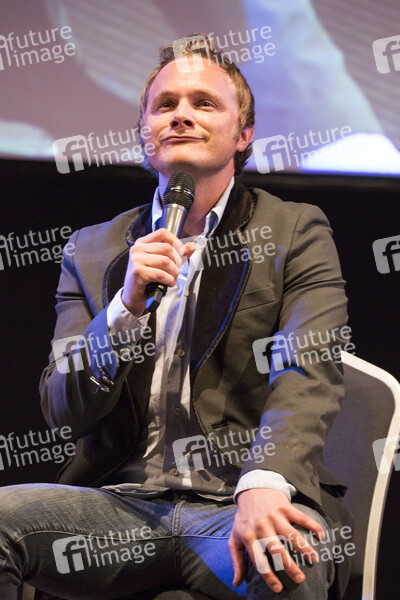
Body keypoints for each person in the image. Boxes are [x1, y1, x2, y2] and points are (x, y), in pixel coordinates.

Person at [0, 35, 353, 600]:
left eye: (203, 103)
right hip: (121, 509)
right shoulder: (92, 250)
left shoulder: (294, 231)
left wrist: (265, 483)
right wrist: (123, 309)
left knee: (285, 562)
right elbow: (63, 408)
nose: (181, 115)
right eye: (165, 105)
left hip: (235, 502)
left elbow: (306, 371)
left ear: (244, 134)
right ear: (146, 132)